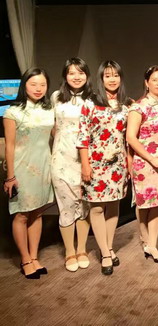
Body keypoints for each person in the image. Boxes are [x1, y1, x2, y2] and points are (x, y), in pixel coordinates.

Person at [77, 60, 132, 275]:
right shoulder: (90, 103)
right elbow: (82, 137)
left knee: (114, 206)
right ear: (101, 78)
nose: (112, 79)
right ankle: (105, 253)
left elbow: (128, 138)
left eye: (116, 75)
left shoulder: (126, 105)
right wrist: (85, 165)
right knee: (98, 208)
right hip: (95, 163)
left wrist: (128, 163)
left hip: (117, 164)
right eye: (107, 75)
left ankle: (108, 247)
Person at [3, 68, 54, 279]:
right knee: (22, 214)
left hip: (44, 167)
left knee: (37, 212)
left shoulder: (49, 110)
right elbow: (9, 146)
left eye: (42, 84)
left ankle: (34, 257)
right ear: (24, 85)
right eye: (33, 84)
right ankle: (25, 259)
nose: (38, 88)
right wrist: (10, 176)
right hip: (22, 168)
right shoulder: (13, 112)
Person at [127, 65, 158, 264]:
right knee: (144, 202)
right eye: (155, 79)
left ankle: (153, 245)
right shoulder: (138, 107)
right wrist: (152, 158)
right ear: (146, 83)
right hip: (145, 161)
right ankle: (144, 238)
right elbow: (131, 138)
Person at [51, 58, 93, 272]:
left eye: (80, 72)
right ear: (65, 76)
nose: (76, 77)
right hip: (61, 160)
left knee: (84, 206)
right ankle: (69, 251)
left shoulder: (93, 99)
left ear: (87, 75)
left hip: (86, 161)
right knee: (66, 206)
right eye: (71, 73)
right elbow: (52, 127)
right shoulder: (56, 97)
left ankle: (82, 249)